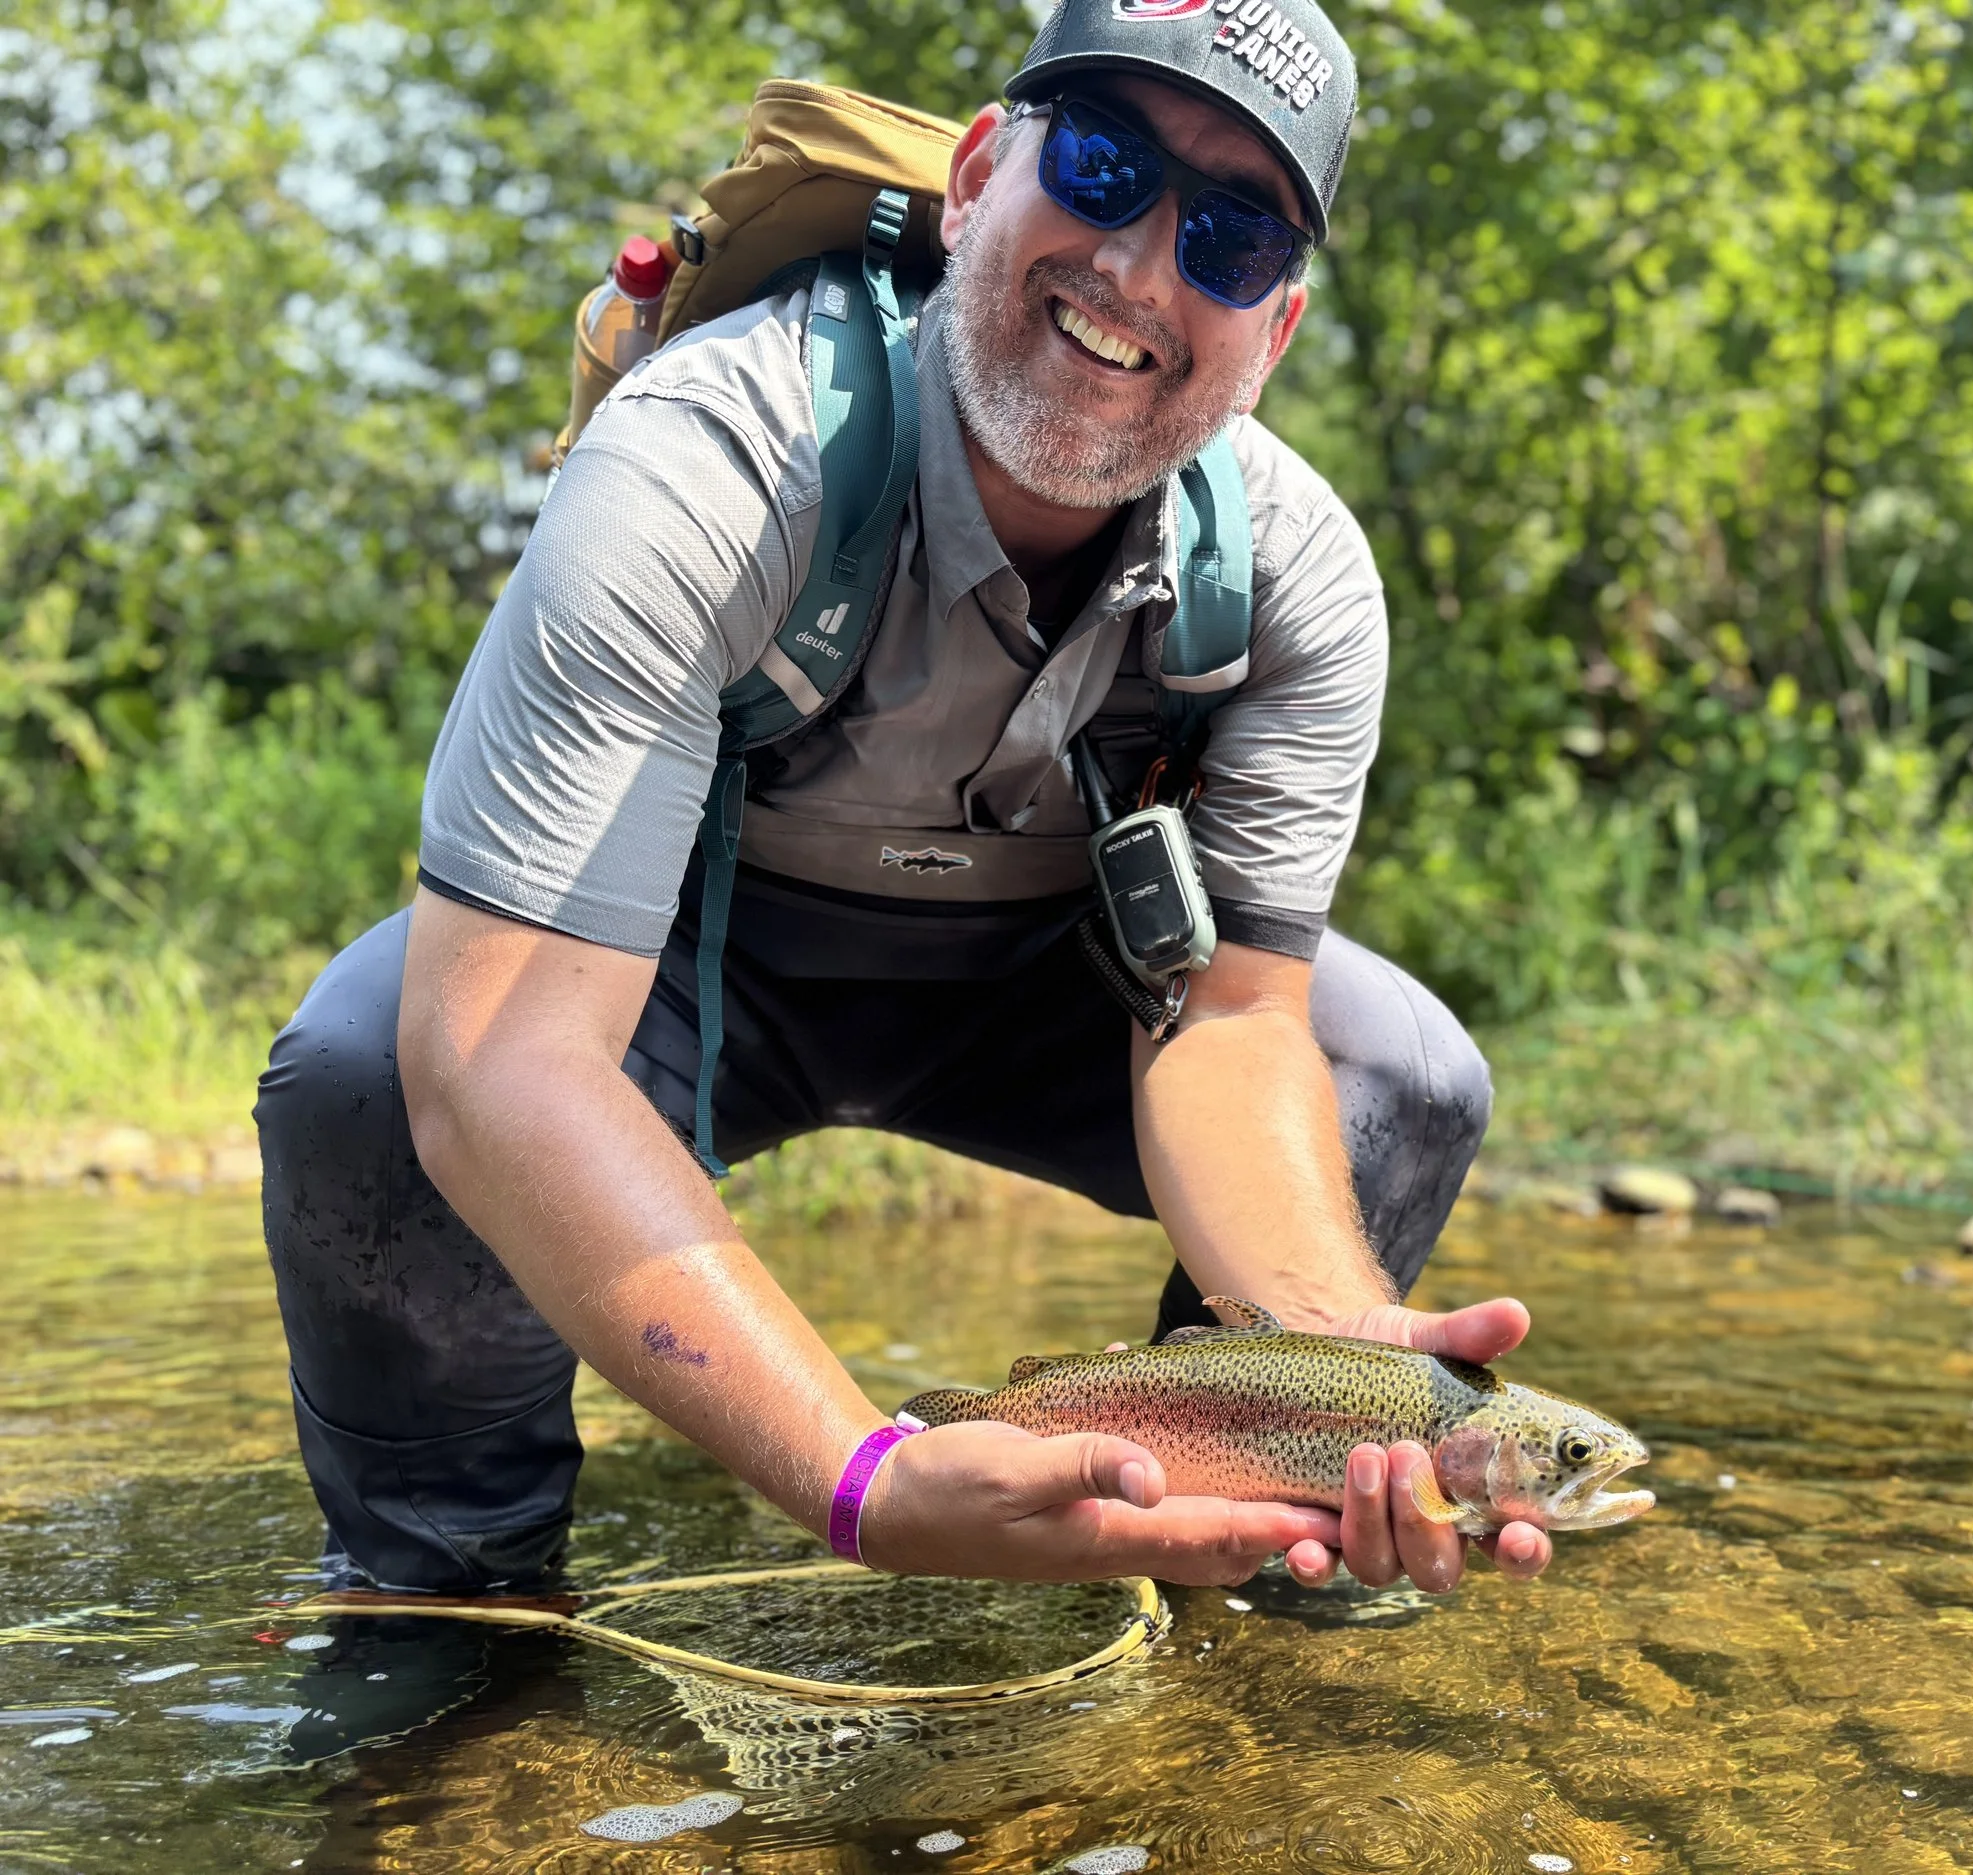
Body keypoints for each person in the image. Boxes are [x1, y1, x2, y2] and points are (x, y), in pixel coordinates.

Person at [256, 0, 1552, 1601]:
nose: (1143, 270)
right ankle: (445, 1599)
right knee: (374, 1069)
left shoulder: (1296, 579)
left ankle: (1232, 1539)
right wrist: (859, 1474)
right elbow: (502, 1055)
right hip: (675, 972)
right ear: (977, 178)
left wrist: (1347, 1351)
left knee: (1400, 1068)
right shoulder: (708, 465)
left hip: (1041, 998)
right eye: (1101, 164)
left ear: (1272, 334)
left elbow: (1228, 1022)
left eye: (1226, 237)